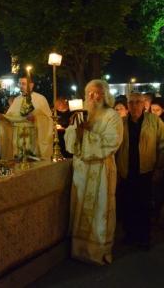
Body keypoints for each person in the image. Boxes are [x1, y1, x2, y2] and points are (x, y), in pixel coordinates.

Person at [64, 79, 123, 265]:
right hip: (82, 171)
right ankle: (79, 250)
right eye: (89, 92)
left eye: (97, 92)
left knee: (100, 209)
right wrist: (76, 131)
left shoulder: (112, 116)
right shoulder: (82, 114)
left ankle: (99, 252)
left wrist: (86, 133)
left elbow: (112, 142)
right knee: (80, 208)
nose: (92, 96)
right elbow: (69, 139)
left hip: (101, 170)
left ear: (104, 95)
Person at [116, 93, 164, 249]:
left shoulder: (154, 121)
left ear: (144, 104)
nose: (134, 106)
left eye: (137, 102)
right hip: (126, 170)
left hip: (146, 170)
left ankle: (144, 236)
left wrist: (159, 168)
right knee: (128, 204)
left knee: (143, 205)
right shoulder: (122, 122)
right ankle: (130, 234)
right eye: (131, 103)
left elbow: (163, 145)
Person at [0, 76, 53, 160]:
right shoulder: (17, 99)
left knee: (33, 160)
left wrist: (36, 117)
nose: (20, 86)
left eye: (23, 84)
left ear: (31, 85)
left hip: (34, 136)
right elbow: (11, 117)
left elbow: (48, 118)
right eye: (19, 83)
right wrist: (3, 117)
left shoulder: (40, 99)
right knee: (18, 160)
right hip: (18, 137)